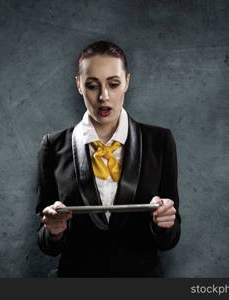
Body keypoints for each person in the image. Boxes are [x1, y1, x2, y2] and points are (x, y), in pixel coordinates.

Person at [35, 40, 181, 277]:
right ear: (79, 85)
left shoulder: (159, 141)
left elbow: (170, 239)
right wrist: (54, 231)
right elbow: (46, 244)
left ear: (127, 82)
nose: (104, 96)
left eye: (113, 84)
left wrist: (164, 224)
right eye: (92, 85)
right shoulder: (53, 146)